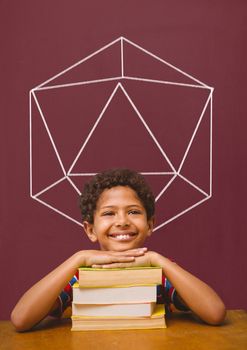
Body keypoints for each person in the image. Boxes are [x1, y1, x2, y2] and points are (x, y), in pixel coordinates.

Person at [11, 168, 226, 331]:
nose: (122, 221)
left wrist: (158, 260)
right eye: (108, 213)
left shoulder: (159, 272)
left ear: (150, 224)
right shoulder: (80, 274)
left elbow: (215, 313)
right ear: (90, 230)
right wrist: (77, 259)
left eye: (133, 212)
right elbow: (21, 320)